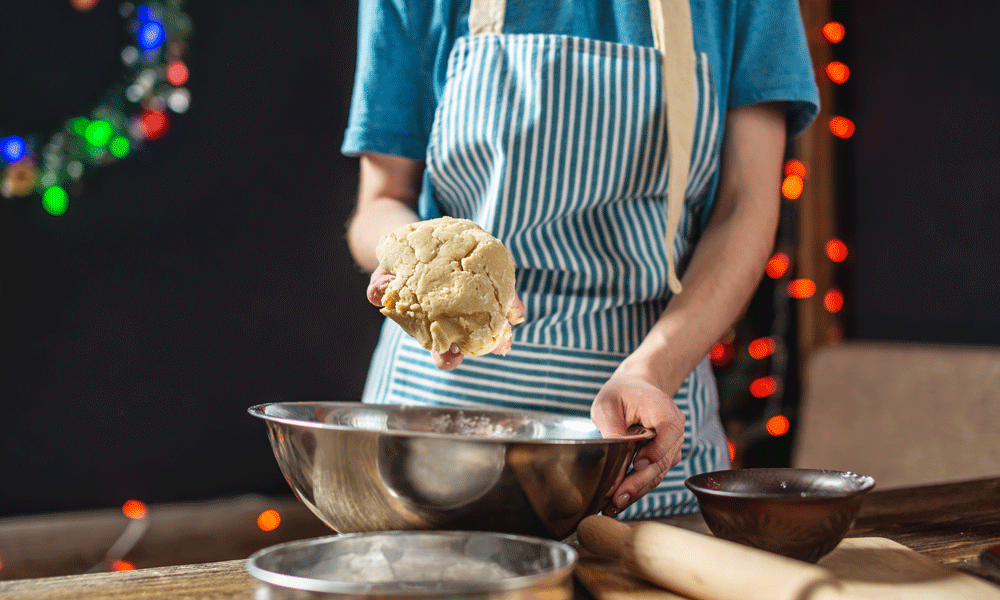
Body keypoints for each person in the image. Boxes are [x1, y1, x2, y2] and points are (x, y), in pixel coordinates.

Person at [343, 0, 819, 519]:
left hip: (639, 428)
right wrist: (419, 270)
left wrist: (652, 372)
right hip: (432, 438)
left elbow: (743, 209)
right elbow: (380, 200)